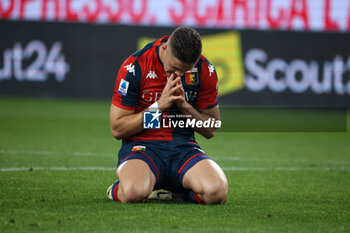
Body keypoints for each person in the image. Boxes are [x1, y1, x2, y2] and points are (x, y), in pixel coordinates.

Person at [107, 26, 228, 205]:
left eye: (185, 71)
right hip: (142, 148)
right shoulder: (135, 65)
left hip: (183, 148)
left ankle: (177, 194)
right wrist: (158, 107)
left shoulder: (205, 69)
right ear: (164, 48)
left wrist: (185, 107)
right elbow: (117, 129)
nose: (178, 75)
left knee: (216, 192)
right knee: (133, 193)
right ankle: (118, 188)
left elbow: (211, 129)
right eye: (173, 68)